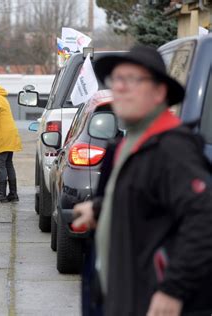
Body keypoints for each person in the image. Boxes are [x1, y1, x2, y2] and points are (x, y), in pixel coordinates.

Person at [72, 45, 212, 316]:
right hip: (122, 295)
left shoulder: (172, 148)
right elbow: (144, 197)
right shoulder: (132, 142)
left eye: (133, 80)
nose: (120, 88)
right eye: (117, 80)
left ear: (159, 92)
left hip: (150, 302)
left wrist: (173, 289)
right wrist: (101, 209)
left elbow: (204, 219)